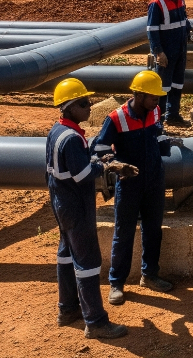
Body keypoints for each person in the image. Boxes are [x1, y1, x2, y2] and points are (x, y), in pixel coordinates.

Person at [47, 78, 136, 339]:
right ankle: (95, 321)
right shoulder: (72, 138)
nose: (90, 106)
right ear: (70, 107)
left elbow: (67, 168)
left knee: (66, 254)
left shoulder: (57, 131)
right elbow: (82, 174)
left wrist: (98, 157)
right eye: (84, 103)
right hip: (77, 205)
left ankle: (68, 309)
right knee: (88, 262)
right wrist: (108, 166)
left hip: (61, 203)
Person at [93, 70, 180, 305]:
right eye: (154, 98)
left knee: (154, 229)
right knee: (124, 233)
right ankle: (116, 283)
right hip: (129, 183)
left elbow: (155, 135)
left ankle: (150, 274)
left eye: (159, 98)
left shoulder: (155, 111)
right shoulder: (116, 118)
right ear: (139, 95)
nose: (158, 102)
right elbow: (99, 148)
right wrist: (115, 164)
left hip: (154, 179)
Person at [147, 0, 193, 127]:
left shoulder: (180, 0)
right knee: (163, 87)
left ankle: (173, 115)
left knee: (177, 83)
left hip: (180, 50)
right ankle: (159, 119)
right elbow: (152, 30)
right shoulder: (157, 4)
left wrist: (191, 30)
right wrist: (158, 52)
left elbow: (184, 20)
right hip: (166, 52)